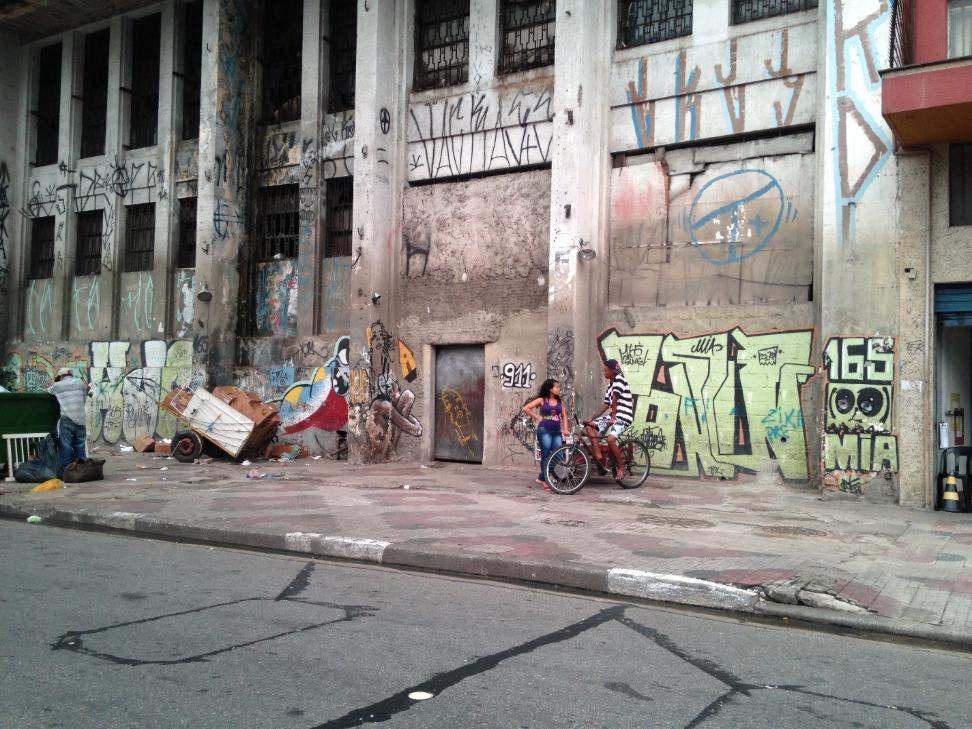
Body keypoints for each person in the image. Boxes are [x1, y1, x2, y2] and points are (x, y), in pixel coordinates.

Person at [585, 359, 634, 480]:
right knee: (589, 426)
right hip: (614, 415)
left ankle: (621, 468)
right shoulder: (610, 384)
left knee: (611, 439)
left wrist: (612, 418)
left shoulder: (619, 380)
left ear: (613, 371)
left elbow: (615, 400)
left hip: (623, 416)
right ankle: (599, 457)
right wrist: (592, 418)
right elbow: (606, 404)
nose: (604, 372)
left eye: (605, 370)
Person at [522, 379, 571, 488]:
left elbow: (564, 416)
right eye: (557, 387)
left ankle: (541, 477)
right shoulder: (542, 400)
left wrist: (566, 429)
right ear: (550, 389)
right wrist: (537, 417)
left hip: (556, 431)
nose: (559, 389)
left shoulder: (559, 402)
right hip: (544, 430)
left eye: (559, 387)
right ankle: (545, 480)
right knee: (546, 454)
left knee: (558, 455)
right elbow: (526, 408)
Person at [48, 367, 89, 469]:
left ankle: (67, 471)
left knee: (66, 446)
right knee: (80, 445)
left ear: (61, 376)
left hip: (67, 420)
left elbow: (48, 391)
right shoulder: (80, 383)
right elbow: (84, 398)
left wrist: (56, 382)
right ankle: (81, 470)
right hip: (80, 419)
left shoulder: (57, 386)